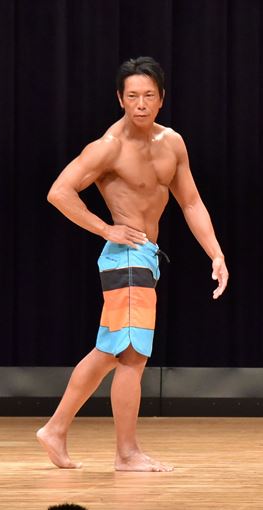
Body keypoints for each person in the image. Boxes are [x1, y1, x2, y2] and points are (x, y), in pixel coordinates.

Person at [37, 56, 228, 472]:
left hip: (145, 257)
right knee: (131, 356)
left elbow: (191, 201)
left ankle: (56, 429)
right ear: (120, 99)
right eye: (133, 96)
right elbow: (59, 192)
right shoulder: (109, 146)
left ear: (161, 99)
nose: (141, 104)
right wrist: (106, 228)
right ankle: (126, 453)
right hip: (125, 257)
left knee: (110, 351)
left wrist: (215, 252)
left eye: (148, 96)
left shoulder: (172, 143)